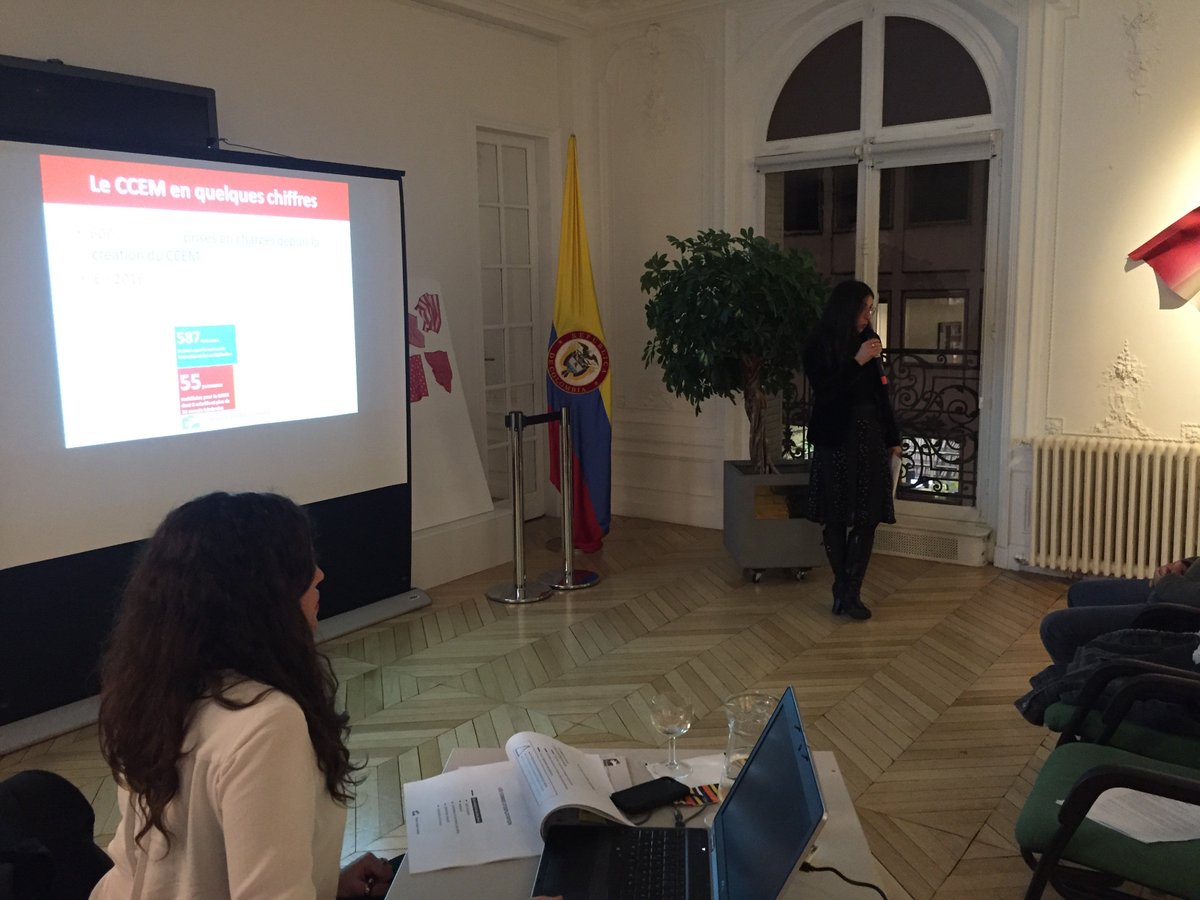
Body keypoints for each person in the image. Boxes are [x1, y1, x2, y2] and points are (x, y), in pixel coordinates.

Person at [89, 491, 393, 899]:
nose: (319, 575)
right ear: (260, 596)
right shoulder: (266, 722)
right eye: (301, 567)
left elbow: (185, 861)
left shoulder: (152, 693)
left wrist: (325, 884)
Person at [802, 280, 901, 620]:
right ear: (847, 308)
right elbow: (825, 392)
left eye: (871, 309)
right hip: (835, 436)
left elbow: (881, 394)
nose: (868, 315)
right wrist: (856, 361)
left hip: (869, 433)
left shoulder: (869, 340)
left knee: (867, 516)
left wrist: (893, 438)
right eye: (864, 308)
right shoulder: (820, 341)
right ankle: (843, 588)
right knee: (834, 515)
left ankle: (850, 591)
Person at [1039, 555, 1200, 666]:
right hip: (1178, 589)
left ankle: (1079, 690)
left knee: (1055, 627)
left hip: (1181, 613)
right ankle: (1093, 667)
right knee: (1078, 594)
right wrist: (1186, 564)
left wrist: (1166, 582)